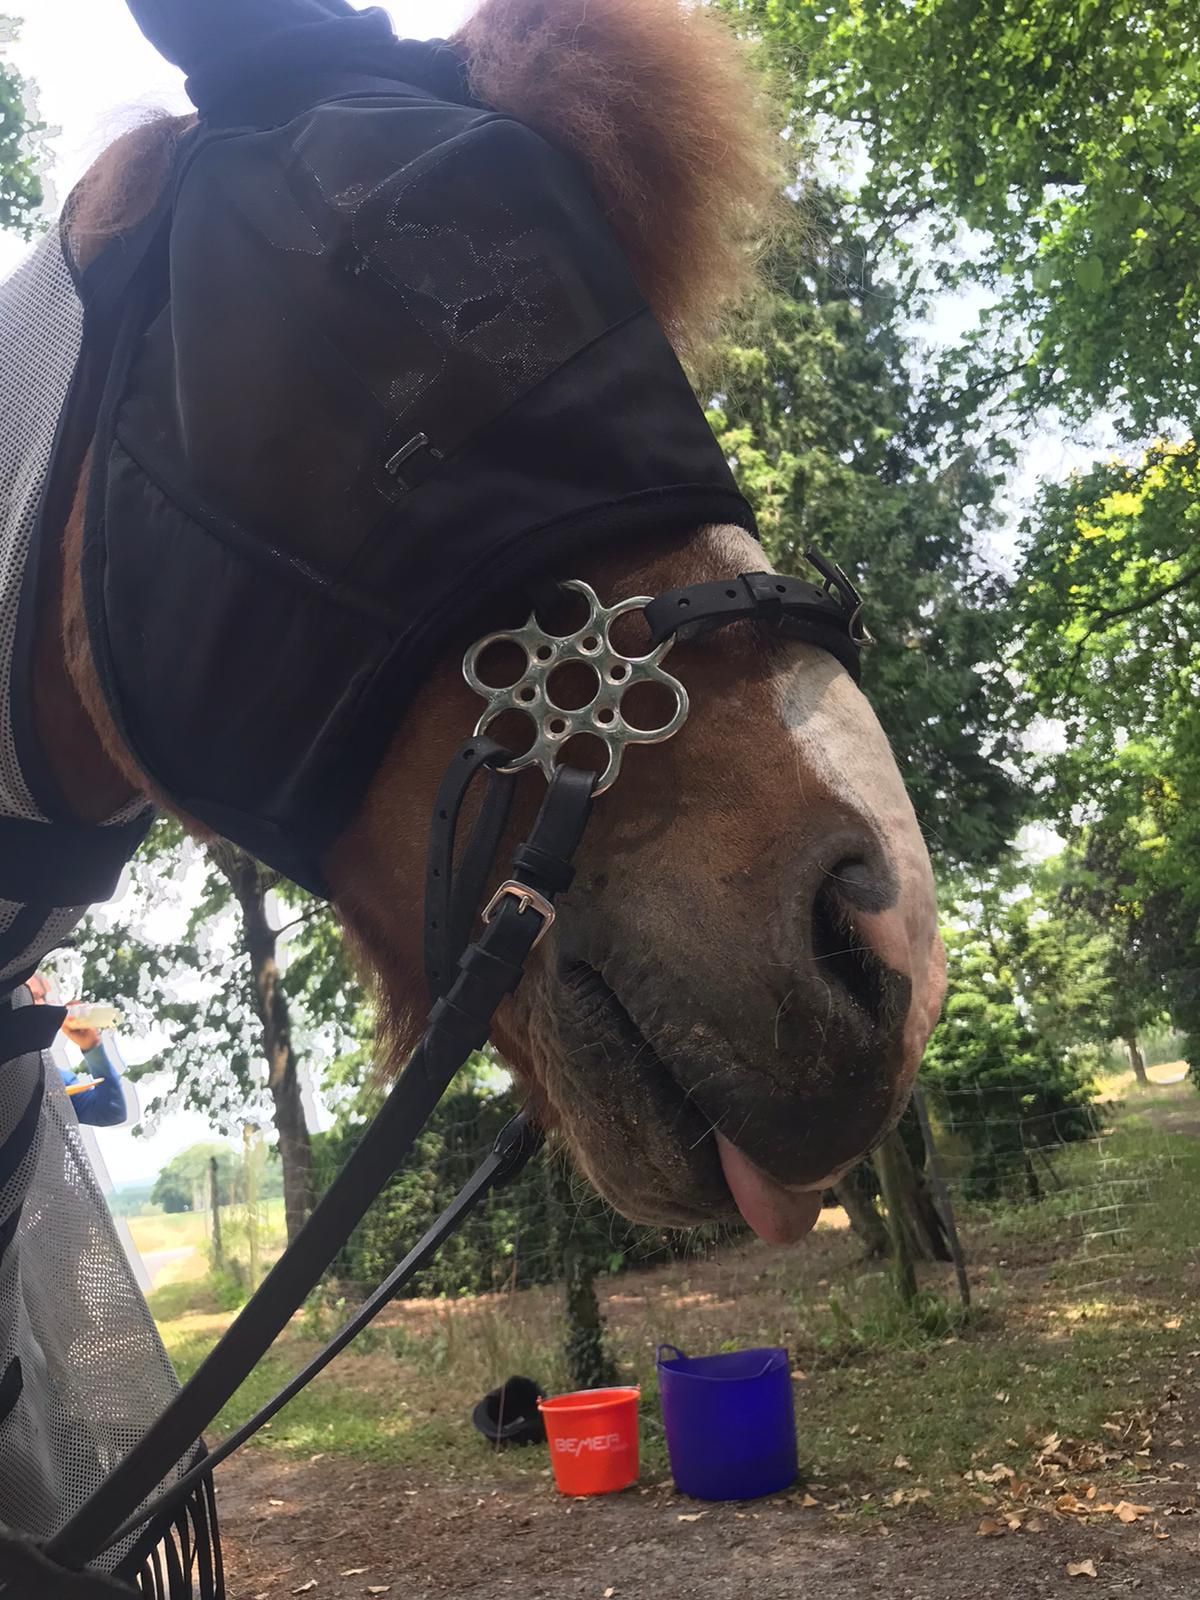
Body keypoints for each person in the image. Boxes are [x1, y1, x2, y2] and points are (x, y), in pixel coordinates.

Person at [25, 972, 130, 1128]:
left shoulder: (51, 1076)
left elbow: (110, 1111)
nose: (38, 1005)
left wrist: (92, 1047)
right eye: (25, 996)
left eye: (38, 997)